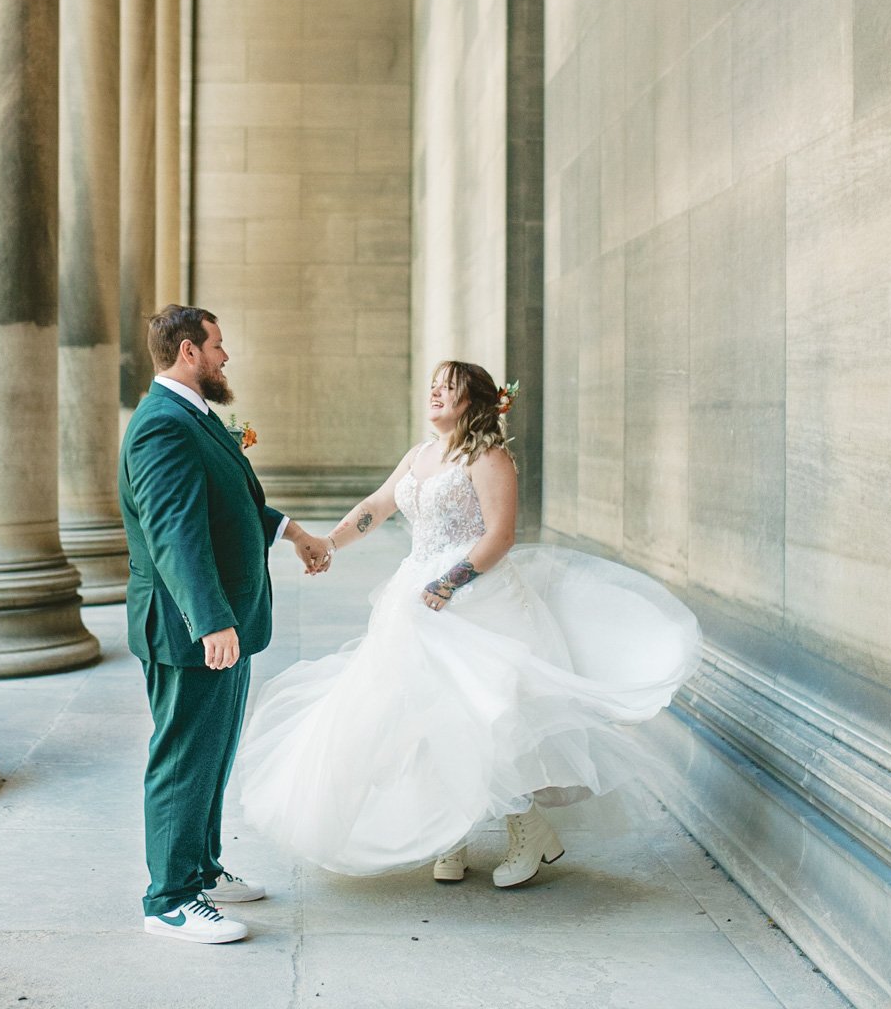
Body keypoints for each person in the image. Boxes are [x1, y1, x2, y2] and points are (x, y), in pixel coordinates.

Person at [234, 360, 702, 886]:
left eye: (447, 387)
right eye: (432, 386)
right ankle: (448, 837)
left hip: (475, 599)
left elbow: (500, 536)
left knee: (489, 714)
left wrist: (449, 583)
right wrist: (328, 544)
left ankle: (531, 832)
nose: (434, 393)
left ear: (474, 400)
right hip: (412, 599)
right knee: (418, 715)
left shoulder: (488, 456)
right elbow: (377, 506)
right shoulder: (419, 456)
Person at [118, 305, 332, 944]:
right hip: (189, 630)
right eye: (217, 346)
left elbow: (233, 504)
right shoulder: (162, 426)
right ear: (189, 352)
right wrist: (210, 620)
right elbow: (175, 534)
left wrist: (291, 531)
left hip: (222, 623)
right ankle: (170, 898)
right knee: (184, 755)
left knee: (211, 751)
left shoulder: (192, 417)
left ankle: (201, 869)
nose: (225, 357)